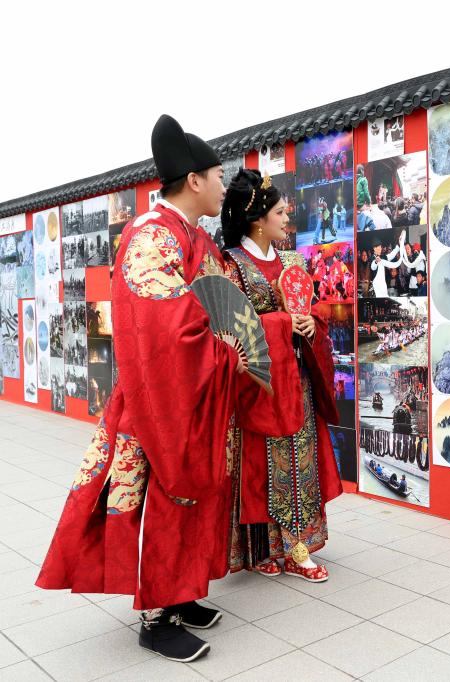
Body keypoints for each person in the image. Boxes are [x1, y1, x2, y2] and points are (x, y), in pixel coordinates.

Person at [37, 115, 244, 663]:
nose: (223, 185)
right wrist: (223, 349)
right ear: (194, 180)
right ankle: (156, 617)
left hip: (195, 392)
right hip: (160, 397)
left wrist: (233, 342)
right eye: (218, 176)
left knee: (195, 493)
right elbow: (165, 328)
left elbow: (221, 306)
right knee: (163, 497)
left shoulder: (192, 235)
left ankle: (182, 593)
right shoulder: (151, 235)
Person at [220, 170, 343, 584]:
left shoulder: (292, 262)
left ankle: (297, 548)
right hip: (259, 384)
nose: (287, 218)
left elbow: (313, 307)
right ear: (258, 219)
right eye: (279, 212)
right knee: (259, 464)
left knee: (298, 458)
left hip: (297, 379)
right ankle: (264, 549)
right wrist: (283, 323)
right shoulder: (233, 265)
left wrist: (311, 324)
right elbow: (232, 328)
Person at [371, 232, 404, 298]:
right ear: (374, 248)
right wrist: (376, 262)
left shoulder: (382, 257)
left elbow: (391, 255)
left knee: (385, 298)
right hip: (377, 283)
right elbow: (373, 267)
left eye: (380, 247)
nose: (380, 249)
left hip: (383, 283)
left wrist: (399, 245)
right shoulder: (372, 258)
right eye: (378, 248)